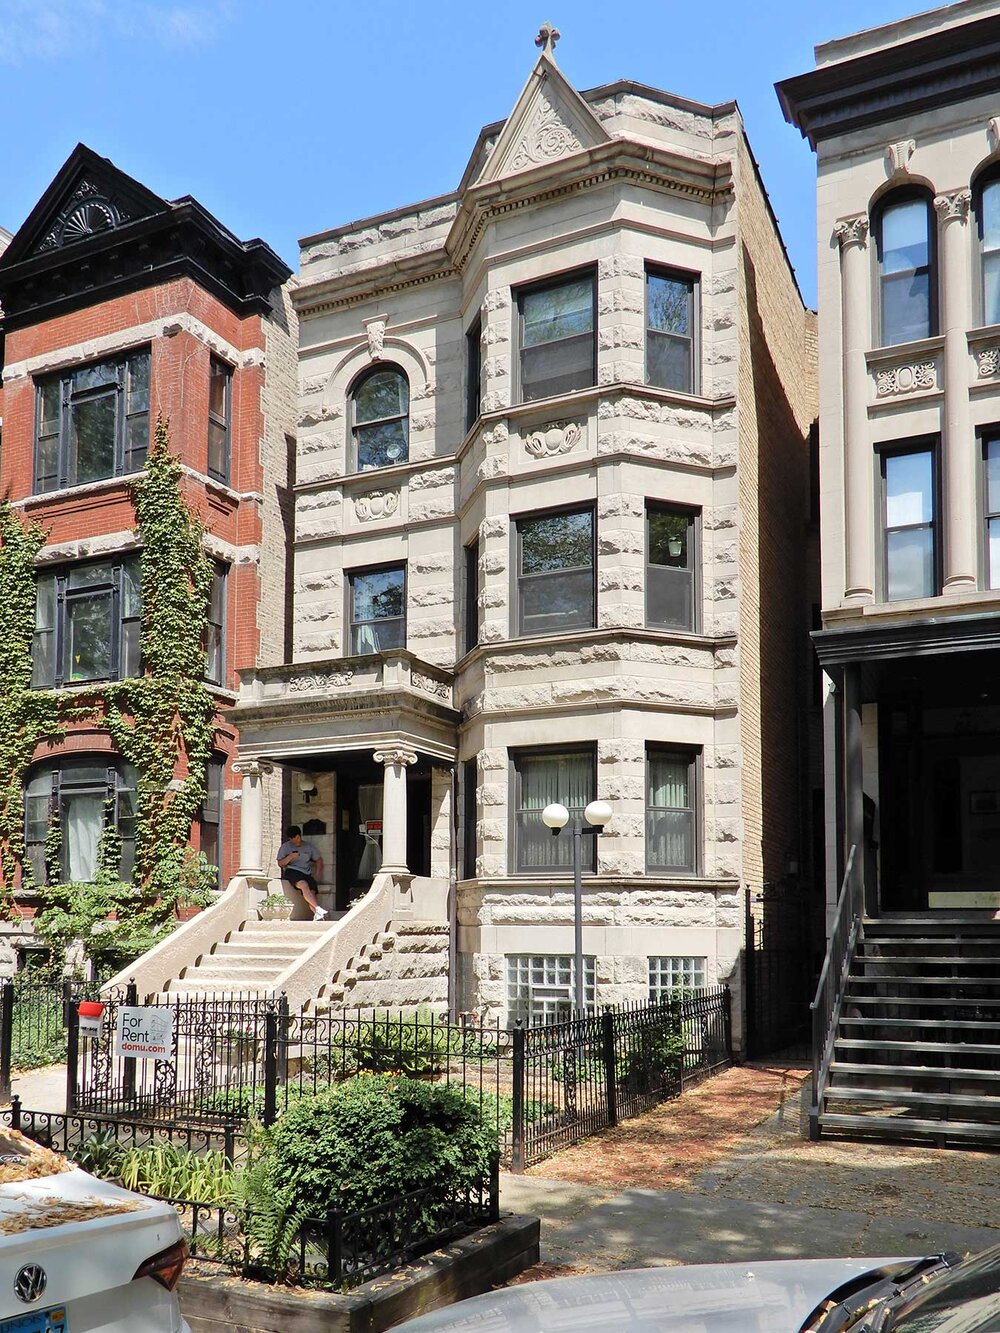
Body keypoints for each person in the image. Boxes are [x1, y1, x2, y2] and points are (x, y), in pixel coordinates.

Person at [276, 825, 327, 920]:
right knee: (303, 885)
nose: (297, 841)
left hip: (306, 872)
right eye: (295, 839)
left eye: (298, 838)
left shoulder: (308, 847)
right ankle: (318, 909)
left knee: (311, 892)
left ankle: (318, 914)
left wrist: (317, 874)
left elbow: (319, 860)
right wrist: (290, 857)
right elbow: (280, 863)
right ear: (290, 839)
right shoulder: (285, 847)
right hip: (292, 871)